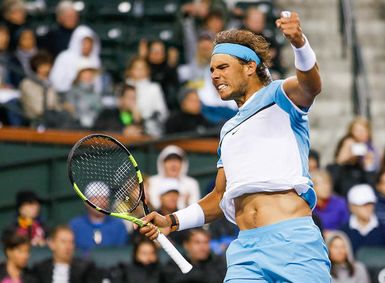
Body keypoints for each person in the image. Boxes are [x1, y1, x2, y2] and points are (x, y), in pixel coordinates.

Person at [139, 13, 332, 281]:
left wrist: (299, 43)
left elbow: (311, 85)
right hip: (245, 251)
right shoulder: (227, 130)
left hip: (293, 244)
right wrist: (172, 221)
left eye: (222, 67)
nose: (215, 76)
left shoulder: (279, 96)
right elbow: (219, 196)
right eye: (212, 70)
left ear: (250, 67)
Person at [69, 182, 128, 252]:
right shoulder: (75, 225)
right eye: (95, 198)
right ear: (86, 202)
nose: (99, 202)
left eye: (103, 198)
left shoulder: (118, 225)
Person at [32, 225, 101, 283]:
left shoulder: (86, 269)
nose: (68, 246)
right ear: (52, 244)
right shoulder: (39, 269)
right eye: (63, 242)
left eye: (71, 242)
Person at [49, 25, 101, 94]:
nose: (87, 46)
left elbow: (97, 85)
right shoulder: (64, 57)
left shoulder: (95, 60)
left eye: (90, 43)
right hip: (65, 95)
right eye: (84, 43)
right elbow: (55, 81)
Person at [341, 184, 385, 253]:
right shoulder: (343, 232)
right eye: (363, 205)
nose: (368, 208)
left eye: (370, 204)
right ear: (352, 207)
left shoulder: (384, 231)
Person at [125, 57, 168, 137]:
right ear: (130, 70)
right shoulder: (124, 88)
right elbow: (120, 111)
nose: (140, 71)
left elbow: (162, 113)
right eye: (137, 68)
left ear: (148, 70)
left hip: (149, 131)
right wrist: (130, 120)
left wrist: (142, 118)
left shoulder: (154, 88)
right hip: (126, 129)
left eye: (142, 68)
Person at [149, 145, 200, 210]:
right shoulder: (151, 182)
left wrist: (186, 204)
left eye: (177, 160)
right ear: (162, 163)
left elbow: (195, 210)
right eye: (169, 160)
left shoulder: (192, 183)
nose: (173, 165)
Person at [19, 51, 64, 122]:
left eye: (49, 65)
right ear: (37, 67)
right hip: (36, 120)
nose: (48, 68)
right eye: (45, 65)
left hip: (52, 117)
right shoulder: (27, 83)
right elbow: (38, 109)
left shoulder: (49, 83)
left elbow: (57, 105)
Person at [64, 61, 102, 129]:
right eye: (86, 72)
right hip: (75, 127)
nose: (89, 75)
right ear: (79, 74)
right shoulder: (73, 91)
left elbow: (99, 110)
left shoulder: (95, 93)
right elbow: (70, 109)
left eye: (91, 72)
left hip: (94, 127)